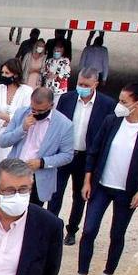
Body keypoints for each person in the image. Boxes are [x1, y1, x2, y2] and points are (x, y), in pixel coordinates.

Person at [64, 81, 138, 275]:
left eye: (124, 101)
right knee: (89, 230)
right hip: (102, 186)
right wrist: (88, 180)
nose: (119, 104)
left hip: (127, 190)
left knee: (117, 233)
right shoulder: (111, 121)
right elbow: (94, 151)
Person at [49, 68, 114, 246]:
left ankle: (71, 230)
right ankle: (51, 227)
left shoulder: (107, 104)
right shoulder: (67, 99)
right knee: (56, 193)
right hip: (64, 154)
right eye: (80, 84)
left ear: (96, 84)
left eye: (86, 85)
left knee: (79, 196)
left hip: (86, 158)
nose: (82, 88)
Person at [0, 87, 74, 207]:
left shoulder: (64, 125)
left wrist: (42, 162)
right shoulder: (21, 113)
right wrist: (22, 129)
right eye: (33, 109)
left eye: (40, 111)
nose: (35, 113)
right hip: (14, 171)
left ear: (51, 106)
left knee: (31, 217)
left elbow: (67, 155)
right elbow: (3, 141)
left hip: (38, 178)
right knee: (7, 208)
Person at [0, 59, 34, 164]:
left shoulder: (27, 91)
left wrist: (5, 117)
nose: (4, 75)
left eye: (7, 73)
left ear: (15, 74)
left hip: (13, 139)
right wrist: (6, 122)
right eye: (2, 73)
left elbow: (24, 116)